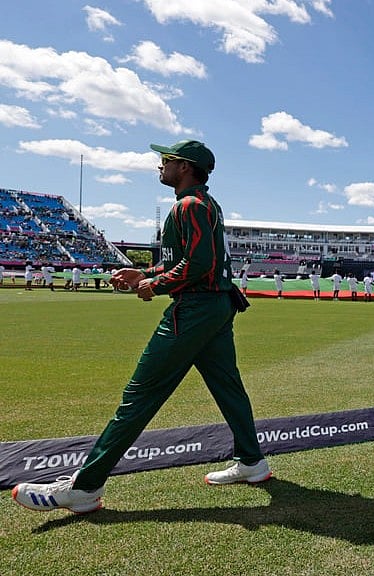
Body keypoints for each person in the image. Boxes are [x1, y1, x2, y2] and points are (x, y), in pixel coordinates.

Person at [11, 139, 269, 514]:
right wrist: (144, 272)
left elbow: (199, 264)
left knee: (139, 395)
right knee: (228, 388)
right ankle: (253, 462)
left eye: (167, 160)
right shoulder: (202, 205)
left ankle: (84, 488)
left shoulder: (191, 206)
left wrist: (156, 285)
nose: (160, 166)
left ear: (185, 167)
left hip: (195, 310)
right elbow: (186, 261)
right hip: (213, 307)